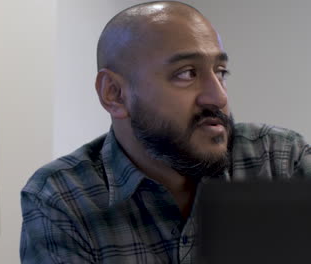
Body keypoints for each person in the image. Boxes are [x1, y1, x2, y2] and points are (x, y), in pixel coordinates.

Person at [20, 1, 311, 263]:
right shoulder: (62, 197)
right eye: (186, 73)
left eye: (220, 72)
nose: (218, 96)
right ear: (115, 94)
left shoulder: (280, 158)